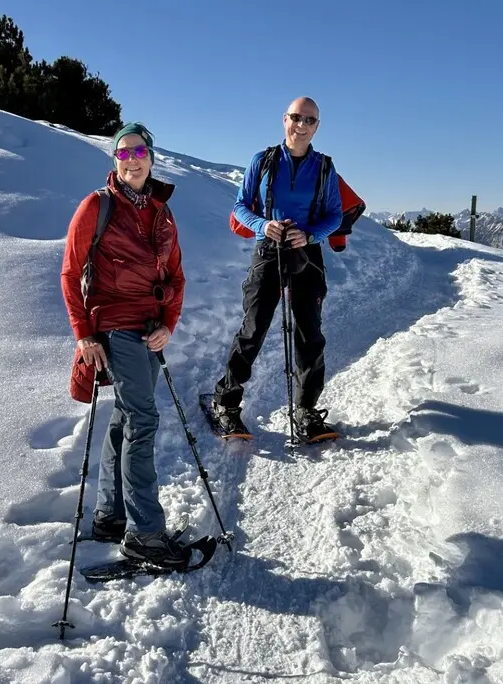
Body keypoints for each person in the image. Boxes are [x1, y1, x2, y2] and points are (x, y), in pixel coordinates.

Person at [60, 122, 190, 568]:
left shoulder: (161, 211)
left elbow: (176, 276)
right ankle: (145, 534)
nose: (132, 160)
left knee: (124, 418)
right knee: (142, 419)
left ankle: (111, 516)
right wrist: (83, 334)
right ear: (114, 161)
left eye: (139, 153)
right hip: (116, 328)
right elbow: (69, 273)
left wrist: (168, 325)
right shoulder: (96, 206)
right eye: (123, 153)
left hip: (151, 329)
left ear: (152, 158)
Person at [210, 97, 341, 444]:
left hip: (307, 253)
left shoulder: (325, 168)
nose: (302, 125)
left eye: (310, 120)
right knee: (254, 328)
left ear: (317, 126)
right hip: (269, 250)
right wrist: (263, 225)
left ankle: (306, 410)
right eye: (297, 118)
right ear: (285, 120)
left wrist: (310, 234)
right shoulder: (263, 161)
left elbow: (335, 215)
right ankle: (225, 401)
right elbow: (240, 206)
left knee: (310, 334)